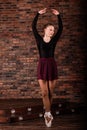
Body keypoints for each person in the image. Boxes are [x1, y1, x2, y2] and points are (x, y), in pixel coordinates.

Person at [32, 8, 63, 127]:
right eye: (50, 29)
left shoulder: (54, 40)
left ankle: (47, 112)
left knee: (50, 92)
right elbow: (33, 27)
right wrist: (37, 14)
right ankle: (48, 114)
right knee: (44, 93)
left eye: (53, 30)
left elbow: (61, 29)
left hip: (51, 65)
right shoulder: (39, 39)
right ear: (45, 30)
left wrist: (58, 15)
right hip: (42, 65)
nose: (52, 31)